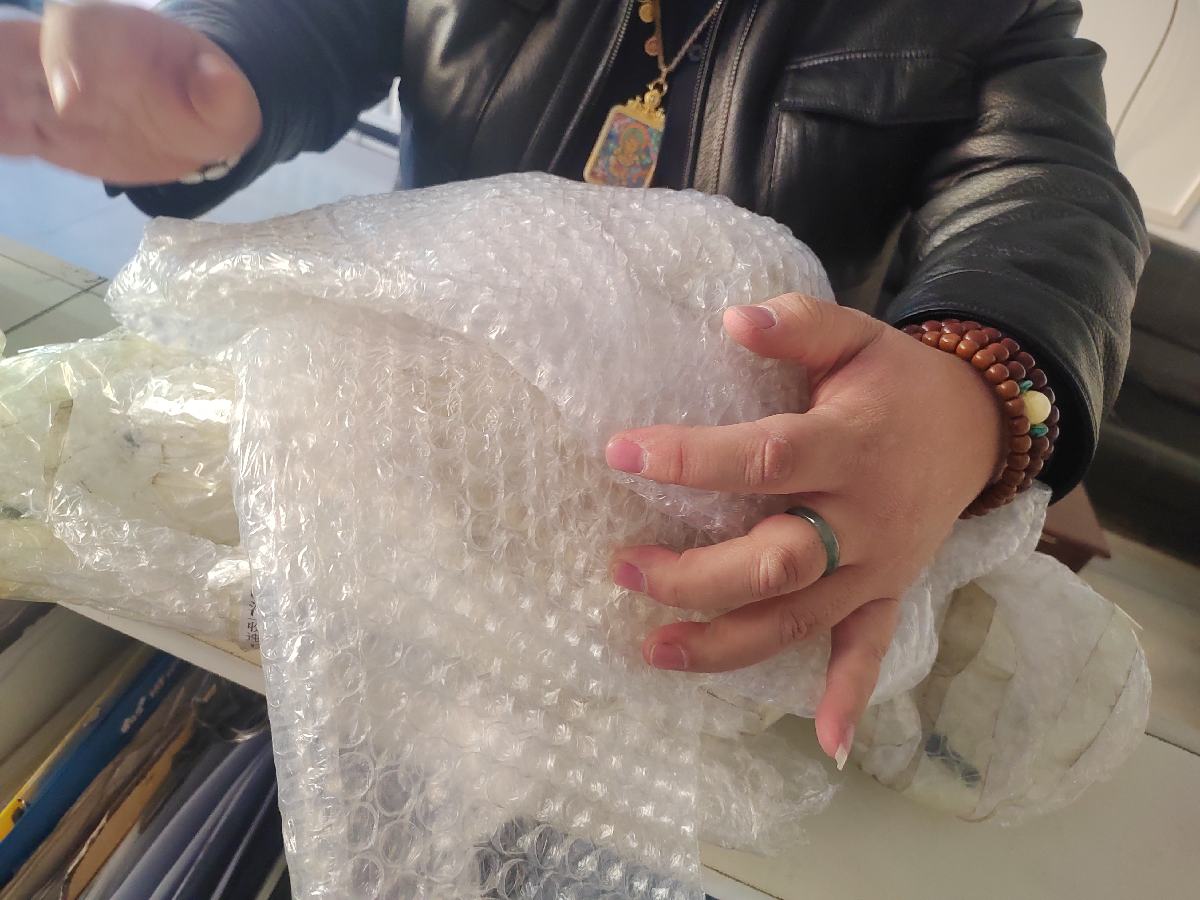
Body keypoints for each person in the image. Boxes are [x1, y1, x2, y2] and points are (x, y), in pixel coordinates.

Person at [0, 0, 1148, 769]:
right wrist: (214, 75)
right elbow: (312, 21)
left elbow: (1052, 191)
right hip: (393, 468)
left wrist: (979, 386)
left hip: (700, 531)